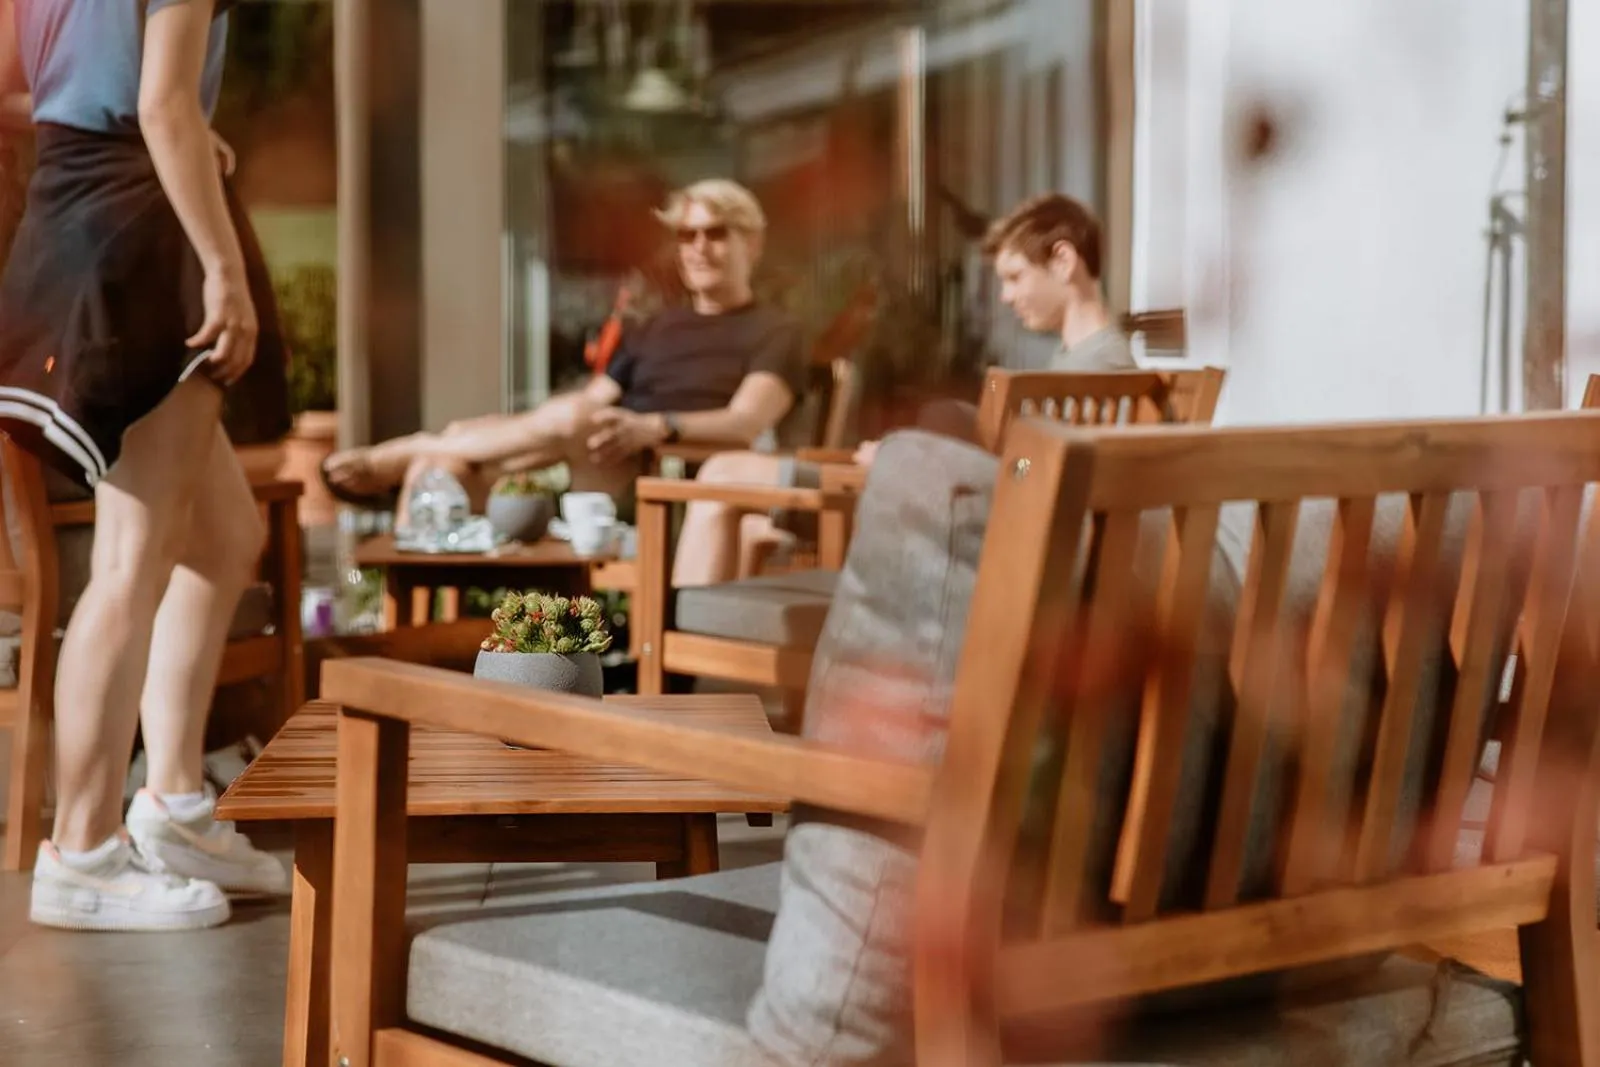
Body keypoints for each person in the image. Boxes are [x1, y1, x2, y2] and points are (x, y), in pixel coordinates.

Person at [0, 0, 292, 931]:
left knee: (221, 536)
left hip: (79, 206)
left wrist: (171, 130)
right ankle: (81, 852)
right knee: (133, 556)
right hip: (143, 222)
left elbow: (22, 96)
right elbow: (162, 104)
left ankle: (170, 807)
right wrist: (225, 268)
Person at [670, 191, 1134, 587]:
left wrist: (908, 463)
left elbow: (1030, 476)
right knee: (748, 522)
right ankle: (691, 678)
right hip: (942, 513)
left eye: (1014, 278)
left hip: (944, 526)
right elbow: (1027, 463)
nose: (1006, 297)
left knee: (720, 474)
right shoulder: (1086, 365)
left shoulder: (1099, 373)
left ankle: (664, 672)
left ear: (1064, 260)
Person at [319, 178, 810, 522]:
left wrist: (651, 428)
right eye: (687, 235)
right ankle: (425, 642)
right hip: (597, 445)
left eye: (716, 234)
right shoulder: (654, 326)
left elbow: (746, 424)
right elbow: (595, 399)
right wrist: (509, 429)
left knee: (574, 420)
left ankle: (412, 447)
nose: (698, 248)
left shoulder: (776, 331)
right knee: (445, 469)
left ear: (754, 244)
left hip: (665, 472)